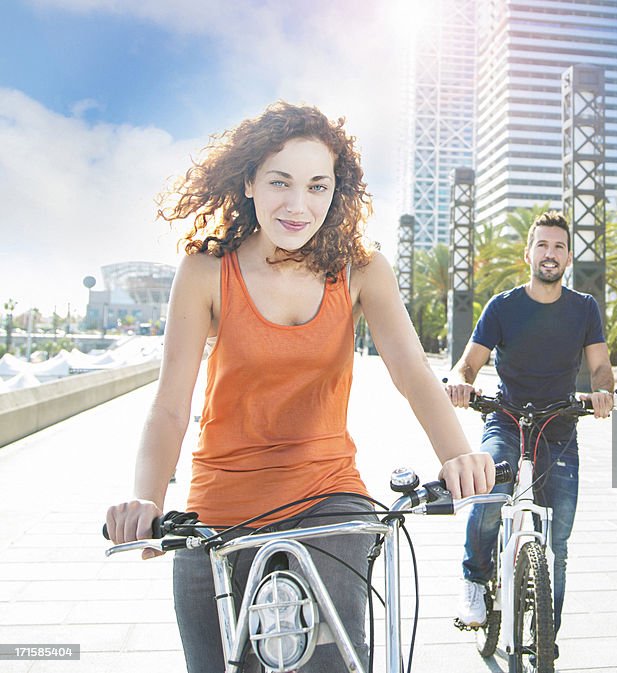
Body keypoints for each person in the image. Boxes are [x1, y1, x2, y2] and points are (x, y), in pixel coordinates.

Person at [105, 102, 494, 673]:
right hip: (221, 500)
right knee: (215, 662)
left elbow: (412, 372)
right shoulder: (206, 271)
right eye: (280, 182)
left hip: (327, 490)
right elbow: (170, 403)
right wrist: (147, 497)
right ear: (249, 183)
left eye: (317, 186)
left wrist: (458, 455)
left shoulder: (362, 268)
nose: (298, 205)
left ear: (336, 193)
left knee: (333, 660)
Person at [446, 210, 614, 656]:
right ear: (529, 253)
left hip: (559, 427)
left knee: (557, 541)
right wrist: (461, 381)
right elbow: (468, 362)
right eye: (542, 245)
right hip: (507, 418)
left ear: (569, 256)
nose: (550, 253)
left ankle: (546, 637)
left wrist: (602, 393)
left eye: (559, 246)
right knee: (489, 492)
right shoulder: (503, 307)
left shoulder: (584, 309)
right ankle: (475, 579)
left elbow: (600, 367)